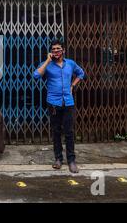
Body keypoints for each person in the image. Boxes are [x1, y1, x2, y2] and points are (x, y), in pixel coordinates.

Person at [33, 39, 85, 173]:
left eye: (58, 49)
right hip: (53, 103)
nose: (55, 51)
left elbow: (81, 74)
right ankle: (58, 159)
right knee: (56, 132)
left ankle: (71, 160)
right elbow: (36, 75)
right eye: (53, 49)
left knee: (69, 132)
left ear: (63, 50)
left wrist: (73, 85)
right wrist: (47, 61)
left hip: (68, 102)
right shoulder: (48, 65)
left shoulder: (70, 64)